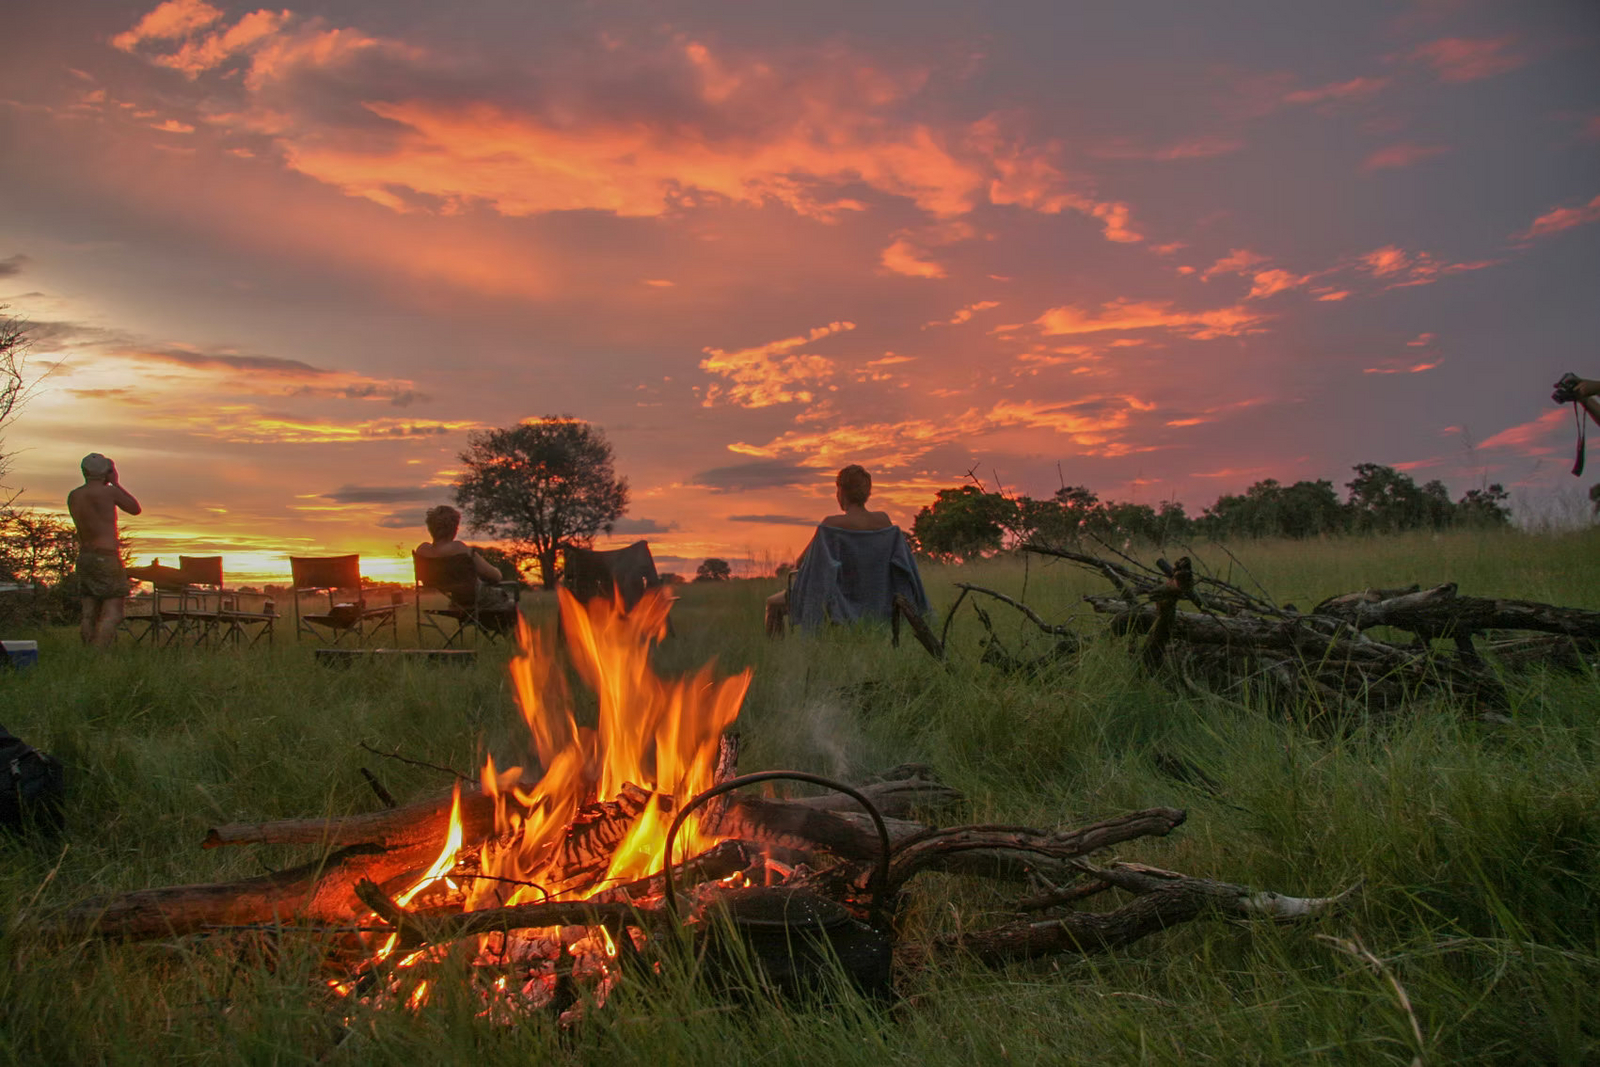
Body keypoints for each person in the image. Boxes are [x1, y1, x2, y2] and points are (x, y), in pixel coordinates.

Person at [765, 465, 896, 636]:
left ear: (841, 492)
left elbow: (801, 562)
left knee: (773, 604)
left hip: (837, 601)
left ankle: (776, 649)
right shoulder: (883, 521)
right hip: (877, 599)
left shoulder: (831, 525)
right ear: (867, 493)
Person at [66, 453, 141, 648]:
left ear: (84, 471)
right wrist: (115, 483)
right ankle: (98, 653)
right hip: (106, 558)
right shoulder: (109, 492)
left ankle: (87, 652)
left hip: (85, 557)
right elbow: (135, 508)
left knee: (89, 612)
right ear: (107, 472)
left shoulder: (74, 495)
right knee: (113, 613)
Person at [415, 505, 518, 624]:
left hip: (455, 602)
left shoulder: (422, 551)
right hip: (477, 602)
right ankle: (513, 634)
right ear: (454, 529)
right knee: (509, 600)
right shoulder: (459, 549)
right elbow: (495, 576)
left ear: (430, 528)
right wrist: (496, 571)